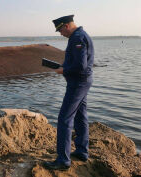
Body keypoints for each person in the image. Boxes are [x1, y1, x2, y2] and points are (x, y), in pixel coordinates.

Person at [43, 15, 94, 170]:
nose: (60, 34)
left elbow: (80, 66)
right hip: (82, 82)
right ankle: (81, 151)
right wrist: (63, 66)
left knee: (64, 119)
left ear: (66, 26)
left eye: (60, 30)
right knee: (80, 115)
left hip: (78, 83)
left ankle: (63, 160)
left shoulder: (78, 37)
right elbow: (76, 62)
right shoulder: (78, 36)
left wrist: (63, 70)